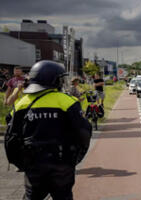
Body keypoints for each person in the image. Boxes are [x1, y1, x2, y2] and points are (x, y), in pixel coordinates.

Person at [5, 60, 92, 199]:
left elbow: (12, 136)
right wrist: (75, 158)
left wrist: (22, 163)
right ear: (53, 80)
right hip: (61, 163)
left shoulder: (23, 103)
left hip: (33, 165)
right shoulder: (67, 101)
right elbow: (84, 132)